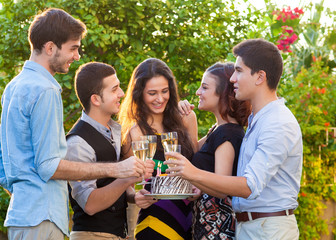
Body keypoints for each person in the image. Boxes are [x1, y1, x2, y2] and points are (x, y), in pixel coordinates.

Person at [0, 8, 146, 240]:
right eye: (73, 48)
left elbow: (0, 164)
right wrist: (116, 169)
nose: (77, 56)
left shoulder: (13, 86)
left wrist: (26, 197)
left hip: (21, 218)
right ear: (50, 47)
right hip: (44, 218)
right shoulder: (46, 89)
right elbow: (49, 166)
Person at [166, 38, 303, 240]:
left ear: (260, 77)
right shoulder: (257, 119)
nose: (232, 79)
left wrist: (193, 173)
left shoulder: (277, 122)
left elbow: (249, 186)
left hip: (268, 229)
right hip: (250, 226)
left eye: (239, 71)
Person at [65, 62, 155, 240]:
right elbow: (89, 204)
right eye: (114, 90)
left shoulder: (115, 130)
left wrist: (134, 196)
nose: (121, 94)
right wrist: (129, 177)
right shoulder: (77, 142)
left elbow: (111, 184)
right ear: (96, 99)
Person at [118, 58, 198, 240]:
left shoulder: (186, 118)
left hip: (192, 220)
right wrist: (135, 196)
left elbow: (196, 162)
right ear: (139, 94)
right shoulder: (135, 132)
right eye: (152, 93)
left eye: (165, 91)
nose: (160, 99)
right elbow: (129, 183)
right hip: (155, 223)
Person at [178, 62, 251, 239]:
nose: (198, 93)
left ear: (223, 94)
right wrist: (189, 119)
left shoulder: (227, 133)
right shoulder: (218, 129)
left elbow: (221, 187)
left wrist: (192, 175)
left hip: (217, 230)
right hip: (206, 225)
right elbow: (194, 151)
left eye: (204, 87)